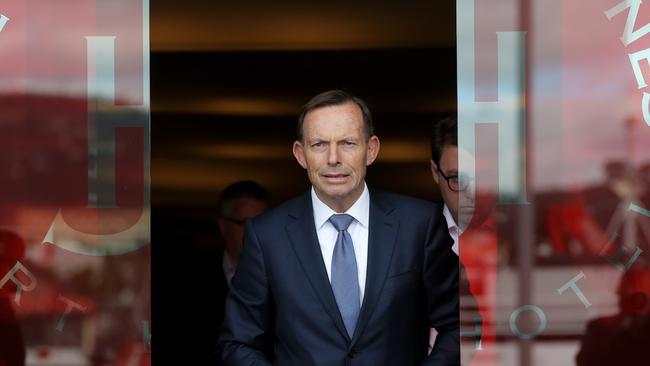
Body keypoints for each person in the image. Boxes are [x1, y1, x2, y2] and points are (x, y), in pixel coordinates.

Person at [217, 90, 459, 365]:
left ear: (371, 150)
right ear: (300, 154)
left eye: (348, 143)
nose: (333, 158)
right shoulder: (267, 236)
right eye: (319, 144)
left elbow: (460, 323)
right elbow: (237, 342)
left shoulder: (418, 224)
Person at [429, 116, 497, 365]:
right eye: (457, 179)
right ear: (436, 172)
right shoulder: (411, 241)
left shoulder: (522, 242)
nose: (471, 192)